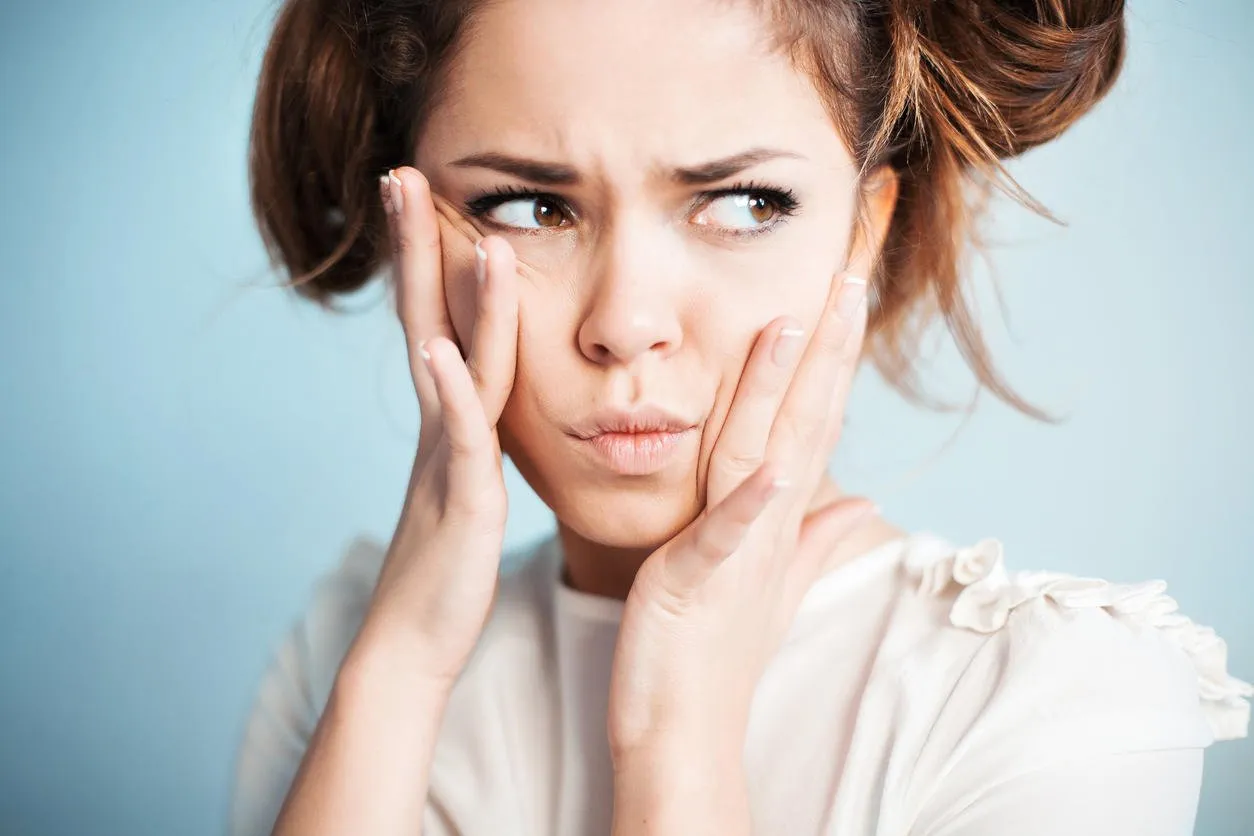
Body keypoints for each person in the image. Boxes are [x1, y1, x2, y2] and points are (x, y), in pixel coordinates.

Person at [229, 0, 1252, 833]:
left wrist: (681, 742)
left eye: (744, 202)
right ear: (411, 223)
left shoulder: (1053, 701)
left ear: (865, 230)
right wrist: (401, 664)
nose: (625, 324)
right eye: (531, 206)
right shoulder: (349, 665)